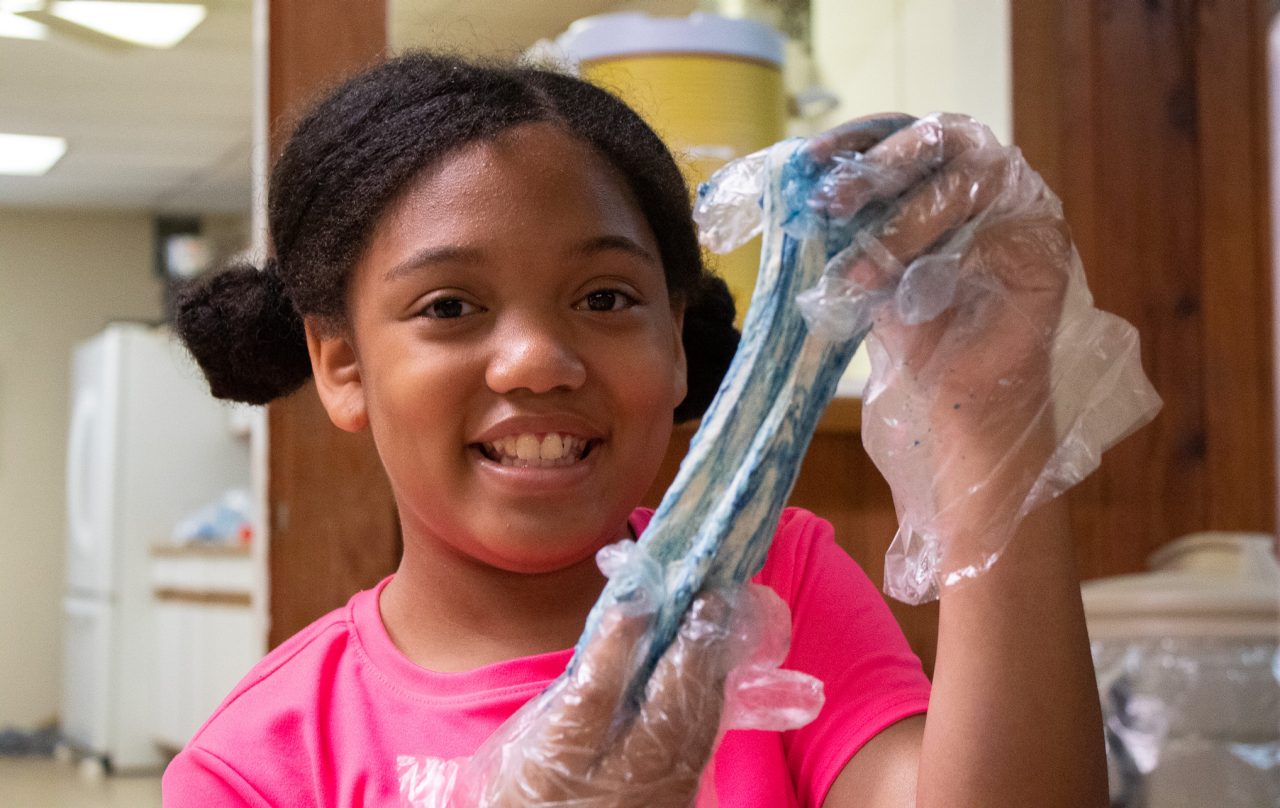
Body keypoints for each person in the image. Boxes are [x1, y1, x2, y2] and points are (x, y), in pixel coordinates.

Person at [162, 51, 1108, 807]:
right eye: (449, 306)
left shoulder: (774, 590)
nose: (537, 361)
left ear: (676, 343)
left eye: (605, 297)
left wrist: (995, 411)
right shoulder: (255, 767)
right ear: (343, 365)